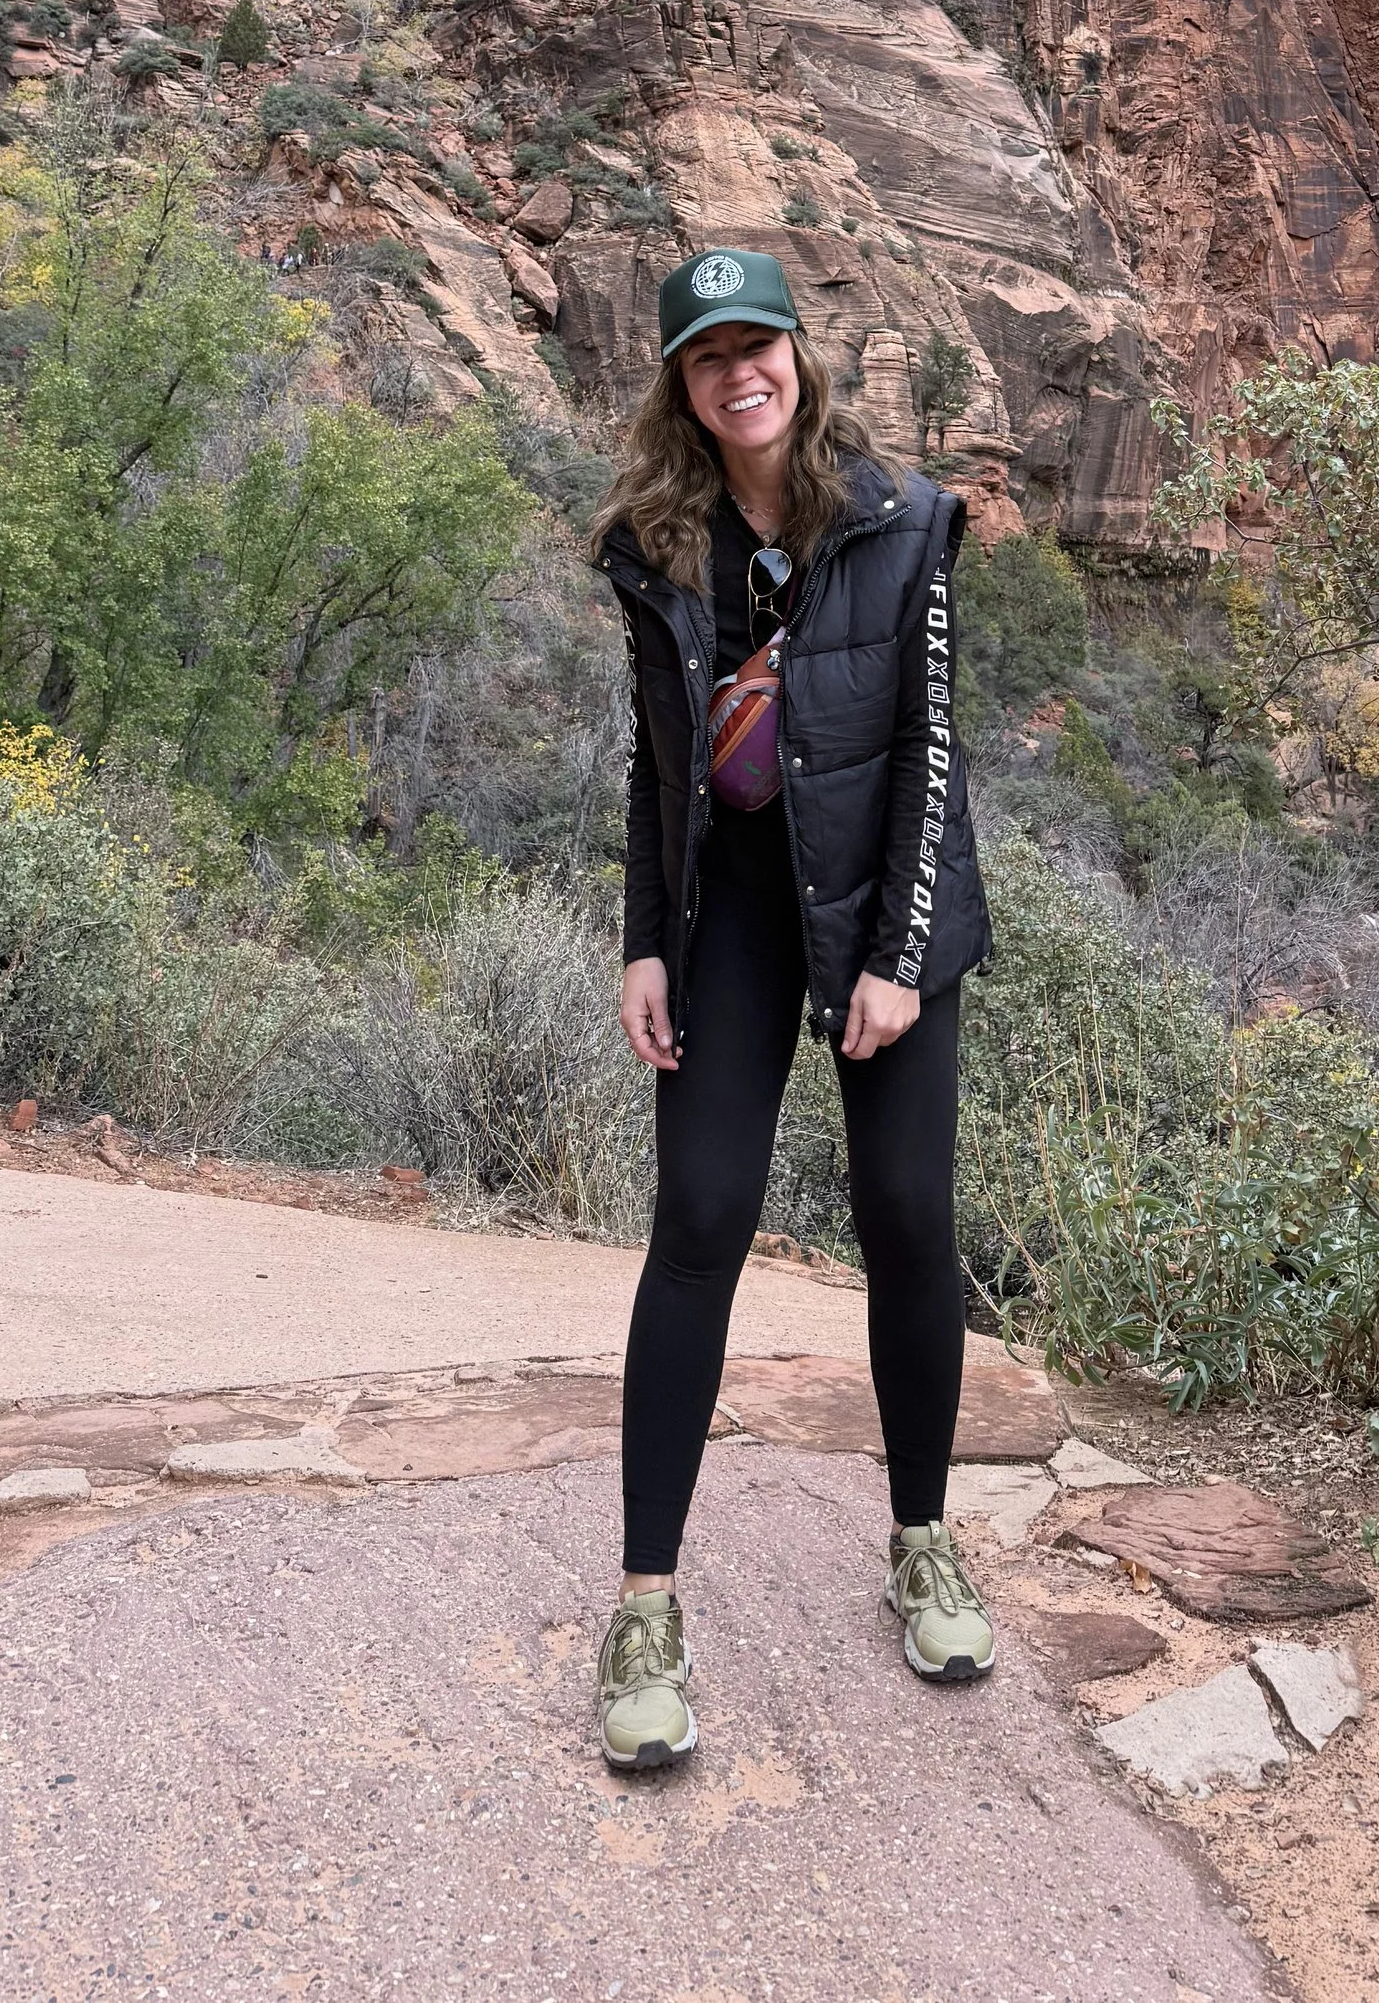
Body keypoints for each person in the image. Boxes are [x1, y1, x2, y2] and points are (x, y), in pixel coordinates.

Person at [588, 244, 995, 1773]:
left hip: (886, 905)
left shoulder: (905, 523)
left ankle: (924, 1540)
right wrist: (643, 941)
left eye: (758, 345)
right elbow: (653, 763)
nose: (738, 373)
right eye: (707, 357)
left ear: (799, 362)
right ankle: (645, 1606)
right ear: (682, 389)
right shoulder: (654, 548)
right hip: (733, 917)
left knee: (905, 1217)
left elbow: (934, 752)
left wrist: (894, 958)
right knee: (696, 1222)